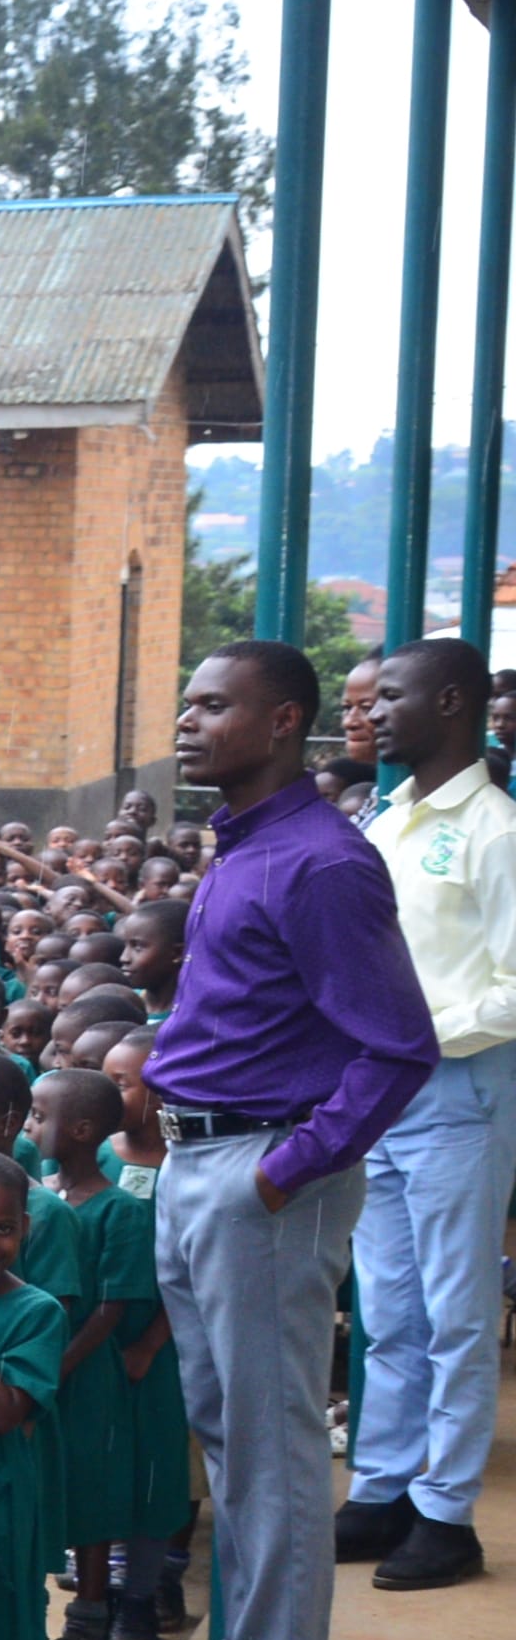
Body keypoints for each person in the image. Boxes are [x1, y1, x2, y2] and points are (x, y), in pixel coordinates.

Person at [131, 642, 439, 1640]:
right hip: (203, 1162)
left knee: (274, 1453)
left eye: (215, 704)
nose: (188, 718)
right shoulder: (247, 845)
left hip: (264, 1173)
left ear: (284, 721)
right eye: (188, 701)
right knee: (228, 1437)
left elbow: (400, 1045)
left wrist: (290, 1168)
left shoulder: (320, 864)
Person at [337, 635, 516, 1590]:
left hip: (459, 1089)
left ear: (453, 703)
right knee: (388, 1310)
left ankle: (447, 1514)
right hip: (383, 1091)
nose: (372, 713)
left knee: (455, 1308)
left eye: (392, 697)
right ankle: (385, 1486)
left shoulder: (496, 830)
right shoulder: (384, 819)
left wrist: (415, 1035)